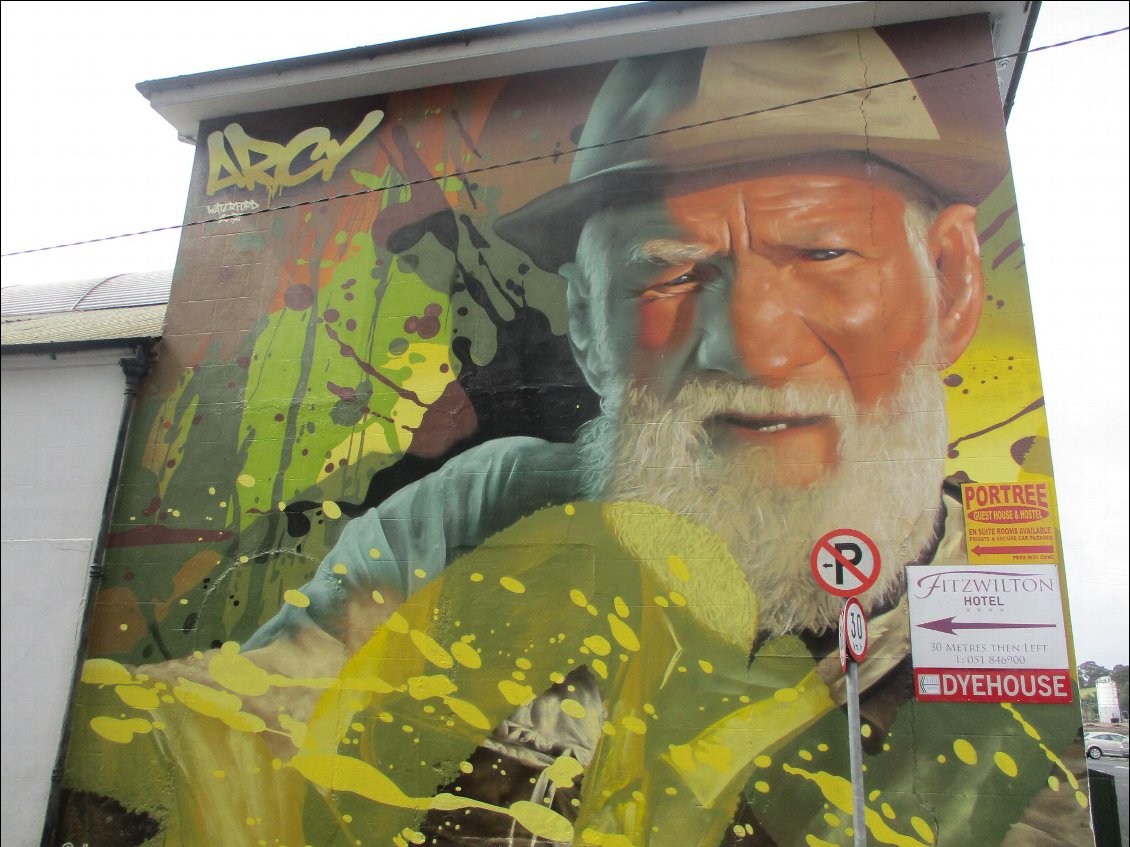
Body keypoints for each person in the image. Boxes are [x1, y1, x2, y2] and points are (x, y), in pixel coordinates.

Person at [76, 26, 1089, 847]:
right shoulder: (482, 514)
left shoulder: (1002, 708)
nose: (757, 344)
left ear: (951, 284)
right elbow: (235, 730)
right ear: (582, 322)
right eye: (667, 270)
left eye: (821, 253)